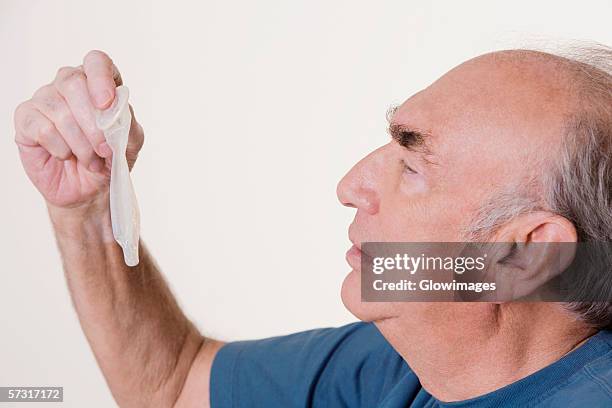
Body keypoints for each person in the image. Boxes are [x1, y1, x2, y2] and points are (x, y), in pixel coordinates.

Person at [14, 46, 612, 407]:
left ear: (530, 258)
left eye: (412, 165)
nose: (351, 186)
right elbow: (174, 384)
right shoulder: (415, 367)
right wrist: (89, 207)